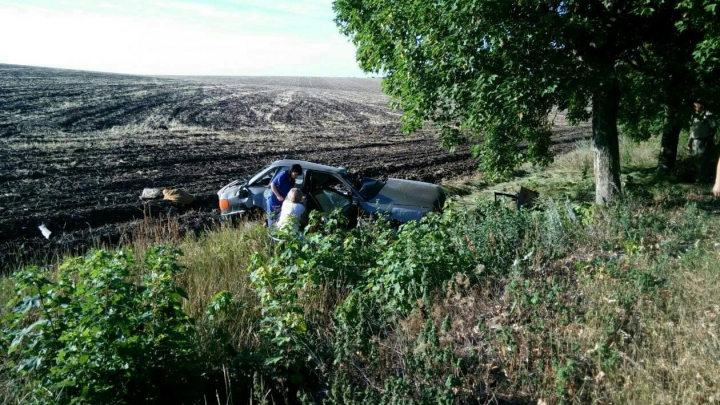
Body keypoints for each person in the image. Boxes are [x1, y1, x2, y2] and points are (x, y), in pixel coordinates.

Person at [687, 99, 716, 183]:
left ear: (701, 106)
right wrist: (690, 142)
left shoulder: (708, 115)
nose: (694, 108)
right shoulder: (694, 116)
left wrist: (709, 139)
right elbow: (692, 130)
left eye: (696, 106)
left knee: (704, 161)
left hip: (704, 141)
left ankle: (704, 180)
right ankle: (699, 178)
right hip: (695, 141)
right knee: (697, 161)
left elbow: (713, 128)